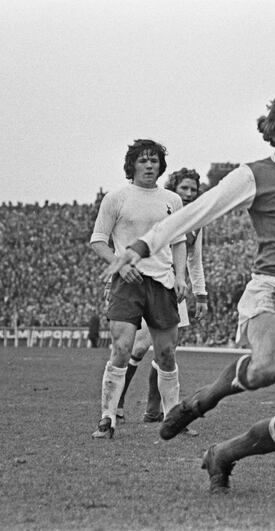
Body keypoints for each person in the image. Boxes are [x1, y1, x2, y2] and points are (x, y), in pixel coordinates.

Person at [100, 87, 275, 493]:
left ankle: (223, 455)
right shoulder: (255, 174)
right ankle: (202, 401)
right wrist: (142, 246)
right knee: (268, 365)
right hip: (271, 289)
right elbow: (198, 211)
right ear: (274, 134)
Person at [89, 139, 189, 439]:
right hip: (127, 283)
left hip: (162, 283)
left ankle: (173, 418)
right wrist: (121, 263)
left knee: (167, 353)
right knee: (121, 348)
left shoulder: (172, 199)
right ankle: (107, 419)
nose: (149, 166)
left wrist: (181, 276)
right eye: (143, 160)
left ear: (161, 166)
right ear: (132, 164)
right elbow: (98, 240)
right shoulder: (116, 198)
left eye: (154, 161)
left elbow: (179, 241)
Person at [116, 168, 208, 431]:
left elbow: (195, 259)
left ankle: (154, 411)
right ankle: (118, 403)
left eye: (193, 190)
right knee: (139, 348)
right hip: (149, 285)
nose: (189, 194)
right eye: (184, 189)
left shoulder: (196, 221)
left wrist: (201, 294)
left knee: (166, 351)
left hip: (174, 287)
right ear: (173, 189)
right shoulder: (158, 212)